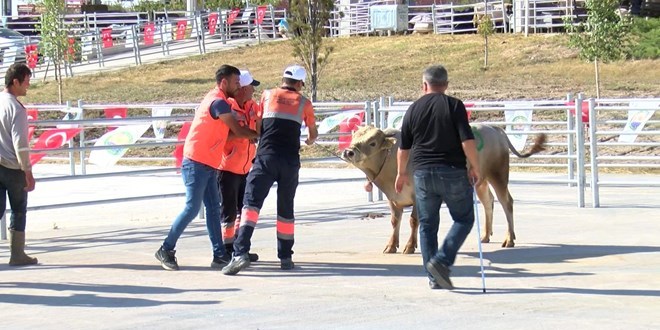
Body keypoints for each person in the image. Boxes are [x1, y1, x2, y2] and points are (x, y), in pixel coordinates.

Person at [155, 64, 259, 271]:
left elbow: (227, 134)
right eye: (236, 82)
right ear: (224, 83)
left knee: (213, 209)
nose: (239, 86)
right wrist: (260, 135)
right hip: (196, 162)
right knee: (192, 208)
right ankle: (166, 249)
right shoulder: (218, 103)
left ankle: (219, 255)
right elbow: (237, 130)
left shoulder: (222, 101)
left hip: (209, 163)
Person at [222, 65, 318, 275]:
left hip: (266, 158)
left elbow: (257, 127)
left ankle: (240, 253)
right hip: (290, 162)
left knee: (251, 204)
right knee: (285, 209)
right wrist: (309, 140)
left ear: (283, 79)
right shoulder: (304, 103)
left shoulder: (267, 95)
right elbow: (312, 135)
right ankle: (285, 257)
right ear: (300, 84)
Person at [395, 65, 481, 290]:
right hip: (452, 171)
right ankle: (441, 261)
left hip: (422, 174)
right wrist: (475, 166)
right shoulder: (454, 105)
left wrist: (401, 173)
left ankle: (433, 277)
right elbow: (467, 141)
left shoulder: (413, 109)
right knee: (464, 219)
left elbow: (403, 148)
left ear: (424, 85)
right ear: (446, 85)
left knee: (427, 224)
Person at [218, 69, 262, 263]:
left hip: (246, 167)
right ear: (242, 88)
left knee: (242, 209)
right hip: (227, 167)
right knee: (228, 211)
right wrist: (249, 134)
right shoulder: (227, 107)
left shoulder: (254, 106)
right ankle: (226, 248)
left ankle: (239, 248)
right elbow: (224, 134)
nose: (254, 89)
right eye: (251, 86)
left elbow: (258, 127)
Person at [0, 63, 38, 266]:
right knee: (18, 209)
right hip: (12, 167)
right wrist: (28, 170)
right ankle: (17, 254)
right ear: (15, 82)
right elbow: (20, 143)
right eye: (26, 82)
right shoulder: (16, 108)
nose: (27, 86)